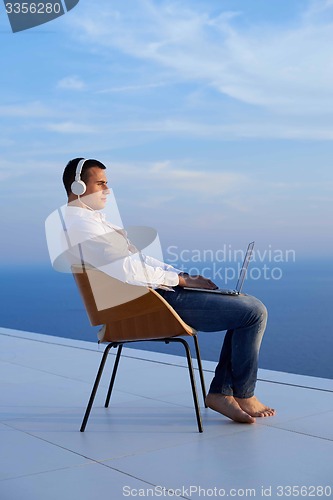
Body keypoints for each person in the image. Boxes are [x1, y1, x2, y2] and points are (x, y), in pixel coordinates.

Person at [62, 157, 276, 424]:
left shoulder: (91, 221)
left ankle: (223, 392)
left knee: (241, 303)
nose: (107, 189)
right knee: (253, 312)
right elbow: (128, 270)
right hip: (144, 305)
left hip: (149, 297)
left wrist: (181, 276)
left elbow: (137, 260)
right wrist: (181, 282)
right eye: (101, 183)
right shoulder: (83, 225)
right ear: (79, 186)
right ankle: (239, 394)